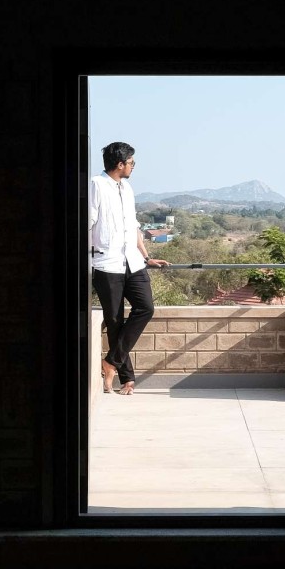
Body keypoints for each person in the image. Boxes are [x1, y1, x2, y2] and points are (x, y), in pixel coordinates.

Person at [89, 141, 168, 396]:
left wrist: (146, 257)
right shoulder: (96, 186)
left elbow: (133, 226)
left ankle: (110, 363)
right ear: (120, 164)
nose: (134, 166)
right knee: (114, 322)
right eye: (132, 162)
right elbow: (86, 224)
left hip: (133, 262)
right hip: (106, 263)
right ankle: (126, 379)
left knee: (145, 308)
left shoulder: (128, 188)